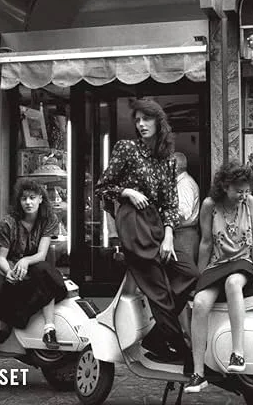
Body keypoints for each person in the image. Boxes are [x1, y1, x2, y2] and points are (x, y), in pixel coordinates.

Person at [95, 98, 198, 364]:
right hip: (133, 223)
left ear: (158, 122)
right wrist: (127, 192)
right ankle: (182, 352)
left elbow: (171, 204)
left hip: (156, 224)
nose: (141, 124)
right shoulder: (127, 148)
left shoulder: (167, 161)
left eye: (146, 119)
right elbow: (102, 187)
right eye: (138, 120)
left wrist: (169, 235)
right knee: (159, 292)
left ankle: (156, 337)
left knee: (189, 273)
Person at [184, 162, 253, 394]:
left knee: (233, 283)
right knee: (200, 303)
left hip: (242, 261)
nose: (243, 195)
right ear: (224, 186)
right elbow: (205, 243)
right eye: (238, 191)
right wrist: (199, 278)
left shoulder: (249, 203)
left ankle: (237, 353)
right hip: (217, 263)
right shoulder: (210, 205)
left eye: (246, 191)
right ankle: (198, 373)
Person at [0, 179, 67, 348]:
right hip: (9, 265)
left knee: (46, 277)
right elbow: (1, 258)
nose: (28, 202)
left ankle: (49, 329)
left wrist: (26, 260)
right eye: (24, 198)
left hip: (33, 264)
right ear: (19, 201)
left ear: (40, 199)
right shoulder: (8, 223)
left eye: (32, 198)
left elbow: (41, 254)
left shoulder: (48, 220)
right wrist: (9, 272)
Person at [173, 152, 200, 266]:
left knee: (184, 269)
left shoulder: (184, 184)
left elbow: (184, 212)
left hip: (184, 234)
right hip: (184, 233)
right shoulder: (184, 182)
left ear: (175, 167)